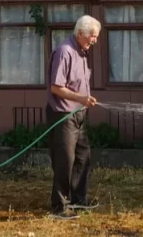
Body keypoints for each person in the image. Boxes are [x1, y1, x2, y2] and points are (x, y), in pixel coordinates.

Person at [46, 14, 101, 219]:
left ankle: (79, 200)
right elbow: (56, 88)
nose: (95, 40)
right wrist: (81, 98)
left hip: (78, 113)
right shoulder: (64, 52)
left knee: (82, 156)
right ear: (80, 34)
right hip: (62, 114)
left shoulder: (82, 52)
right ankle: (59, 207)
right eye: (93, 36)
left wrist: (83, 102)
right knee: (64, 160)